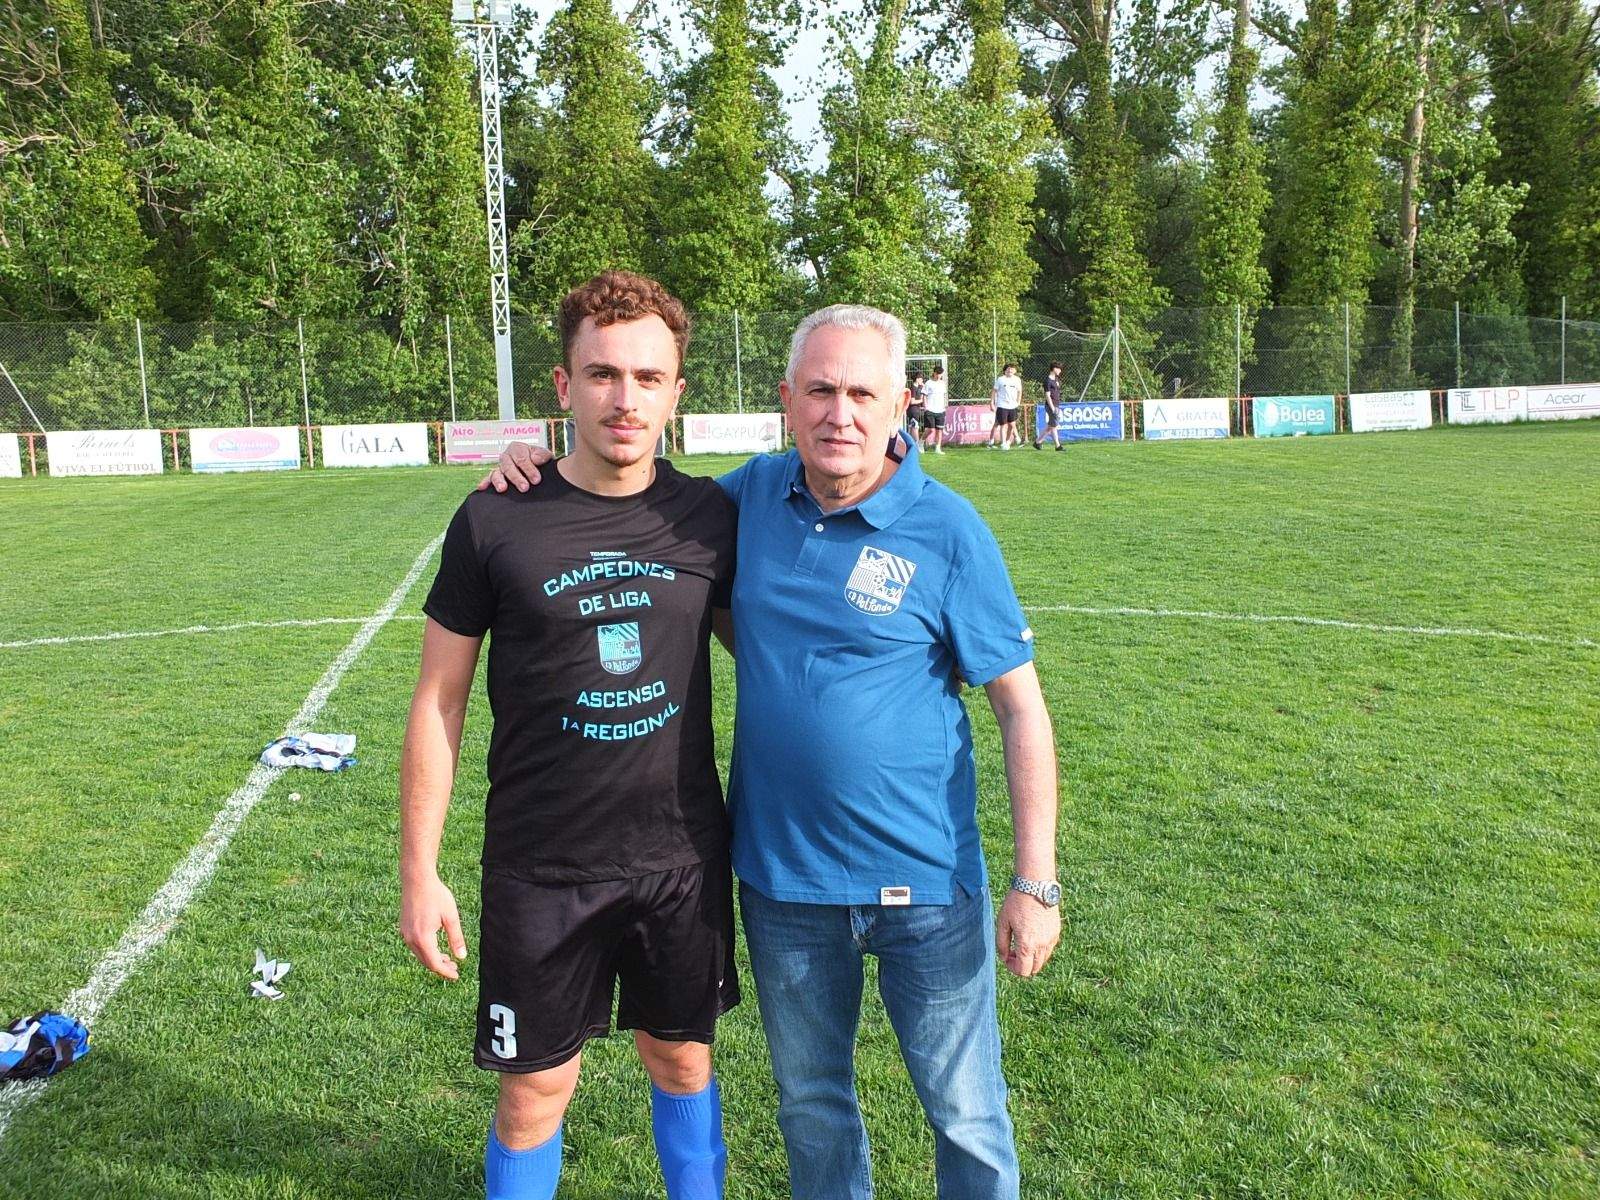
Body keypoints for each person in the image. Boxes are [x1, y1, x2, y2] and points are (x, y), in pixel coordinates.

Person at [485, 304, 1062, 1200]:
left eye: (863, 394)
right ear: (786, 401)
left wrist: (1036, 881)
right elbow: (628, 490)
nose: (841, 414)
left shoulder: (949, 529)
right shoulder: (745, 500)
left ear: (900, 405)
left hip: (927, 882)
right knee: (812, 1106)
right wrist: (536, 468)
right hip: (784, 884)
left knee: (966, 1112)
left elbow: (1021, 710)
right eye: (821, 391)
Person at [400, 271, 739, 1200]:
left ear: (677, 391)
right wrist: (419, 871)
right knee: (533, 1094)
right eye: (602, 374)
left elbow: (779, 639)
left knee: (683, 1063)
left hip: (679, 859)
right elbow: (438, 700)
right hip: (541, 865)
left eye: (647, 377)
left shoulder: (711, 518)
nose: (625, 399)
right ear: (563, 385)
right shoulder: (495, 517)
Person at [986, 363, 1022, 449]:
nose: (1010, 370)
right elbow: (994, 391)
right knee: (1002, 424)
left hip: (1013, 406)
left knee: (1012, 424)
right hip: (1002, 405)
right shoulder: (1000, 379)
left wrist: (1018, 402)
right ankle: (1002, 443)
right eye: (1008, 369)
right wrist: (992, 403)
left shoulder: (1017, 379)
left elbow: (1019, 391)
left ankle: (1008, 441)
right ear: (1005, 371)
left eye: (1012, 369)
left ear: (1015, 371)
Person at [1034, 362, 1065, 451]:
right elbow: (1047, 396)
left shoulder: (1056, 379)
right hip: (1051, 406)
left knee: (1050, 426)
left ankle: (1038, 442)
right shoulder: (1047, 381)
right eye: (1059, 369)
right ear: (1054, 369)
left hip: (1056, 405)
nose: (1060, 371)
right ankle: (1058, 446)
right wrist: (1052, 408)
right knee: (1054, 426)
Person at [921, 363, 949, 453]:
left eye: (941, 374)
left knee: (939, 430)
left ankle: (937, 448)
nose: (939, 376)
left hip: (940, 410)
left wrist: (945, 405)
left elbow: (944, 395)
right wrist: (925, 407)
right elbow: (924, 395)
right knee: (930, 429)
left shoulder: (942, 384)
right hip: (930, 410)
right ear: (934, 373)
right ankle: (920, 443)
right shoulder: (928, 383)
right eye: (938, 374)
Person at [906, 370, 927, 439]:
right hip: (913, 410)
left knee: (912, 427)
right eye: (921, 379)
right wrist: (921, 400)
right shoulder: (913, 388)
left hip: (916, 410)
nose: (922, 380)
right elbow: (912, 401)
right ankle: (917, 442)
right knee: (915, 426)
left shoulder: (918, 388)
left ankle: (910, 442)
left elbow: (923, 392)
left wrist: (923, 386)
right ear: (917, 379)